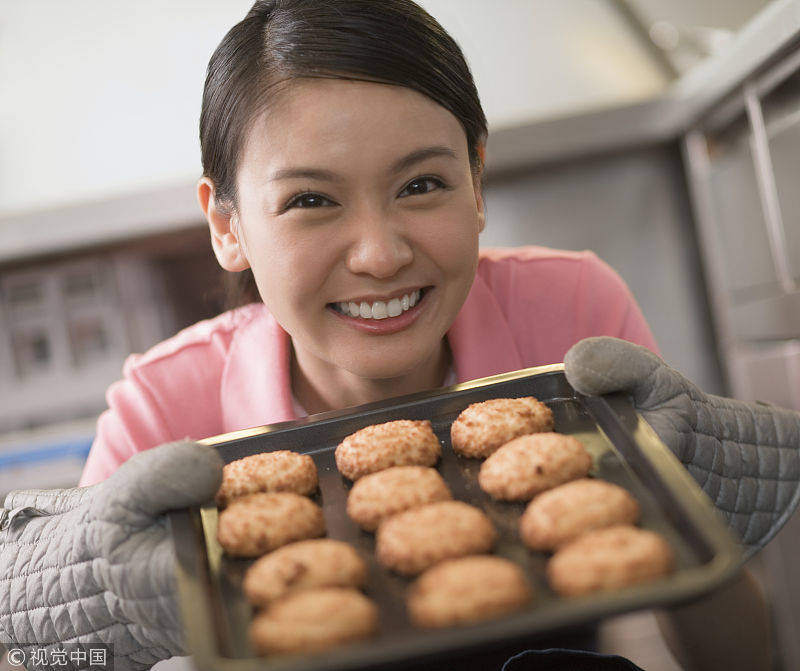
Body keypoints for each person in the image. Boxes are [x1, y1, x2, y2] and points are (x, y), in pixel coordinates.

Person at [0, 1, 793, 669]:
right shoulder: (162, 407)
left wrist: (692, 504)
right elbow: (43, 658)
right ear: (226, 223)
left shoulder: (571, 312)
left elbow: (738, 656)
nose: (380, 254)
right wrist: (102, 612)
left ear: (477, 182)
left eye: (422, 184)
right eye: (311, 200)